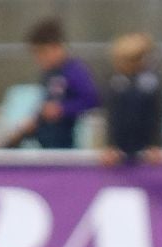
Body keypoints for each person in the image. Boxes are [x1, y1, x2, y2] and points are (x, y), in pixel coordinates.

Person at [8, 17, 99, 149]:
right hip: (45, 143)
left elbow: (92, 99)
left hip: (65, 144)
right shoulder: (48, 74)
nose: (39, 59)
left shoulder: (74, 71)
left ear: (56, 47)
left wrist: (63, 109)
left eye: (42, 53)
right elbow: (47, 105)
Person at [102, 31, 162, 166]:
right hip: (120, 148)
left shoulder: (152, 82)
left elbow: (157, 114)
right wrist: (110, 145)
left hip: (146, 148)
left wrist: (155, 144)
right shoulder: (115, 81)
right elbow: (112, 115)